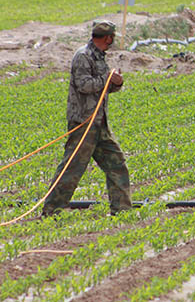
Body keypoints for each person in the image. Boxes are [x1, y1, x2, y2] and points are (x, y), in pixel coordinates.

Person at [42, 20, 132, 217]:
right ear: (108, 38)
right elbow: (84, 85)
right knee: (72, 168)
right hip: (84, 122)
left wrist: (116, 82)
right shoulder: (83, 56)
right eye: (112, 38)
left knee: (116, 163)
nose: (113, 41)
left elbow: (103, 86)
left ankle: (122, 210)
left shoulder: (99, 57)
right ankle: (51, 210)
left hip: (99, 122)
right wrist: (107, 78)